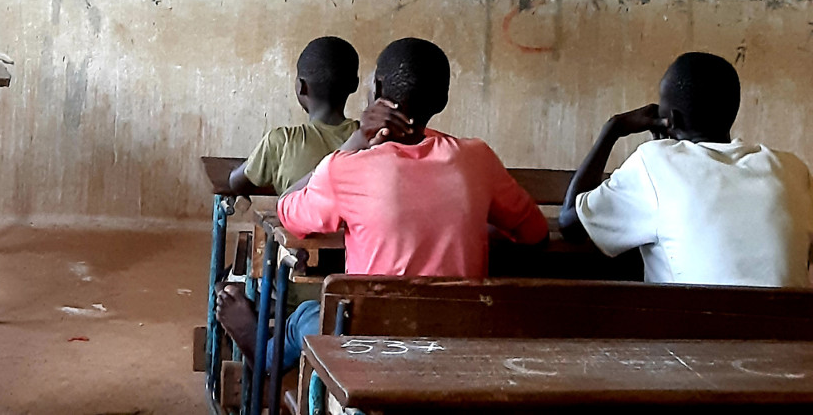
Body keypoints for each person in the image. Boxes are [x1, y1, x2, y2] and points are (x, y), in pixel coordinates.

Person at [217, 37, 548, 373]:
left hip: (369, 348)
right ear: (444, 100)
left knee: (307, 316)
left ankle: (261, 350)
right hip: (456, 341)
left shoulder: (347, 168)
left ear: (376, 89)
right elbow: (536, 232)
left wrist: (354, 143)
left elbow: (288, 208)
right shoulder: (478, 158)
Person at [560, 52, 813, 286]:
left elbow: (570, 223)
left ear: (669, 120)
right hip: (792, 331)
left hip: (697, 332)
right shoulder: (791, 169)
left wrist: (613, 128)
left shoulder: (655, 162)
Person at [228, 36, 361, 198]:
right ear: (354, 85)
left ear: (301, 86)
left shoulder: (281, 141)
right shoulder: (369, 138)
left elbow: (236, 182)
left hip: (295, 224)